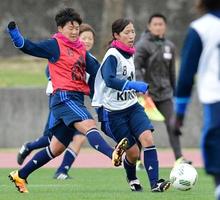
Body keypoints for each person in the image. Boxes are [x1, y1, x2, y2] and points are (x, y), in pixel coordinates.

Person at [7, 8, 128, 193]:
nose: (74, 32)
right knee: (89, 125)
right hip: (63, 97)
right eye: (70, 28)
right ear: (60, 28)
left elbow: (99, 72)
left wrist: (118, 79)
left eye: (77, 28)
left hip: (76, 99)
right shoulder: (54, 45)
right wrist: (16, 36)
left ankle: (20, 175)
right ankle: (113, 154)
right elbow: (29, 46)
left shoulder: (81, 50)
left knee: (55, 148)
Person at [92, 18, 170, 192]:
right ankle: (132, 178)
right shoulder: (112, 55)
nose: (131, 35)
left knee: (148, 139)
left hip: (133, 106)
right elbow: (110, 80)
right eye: (127, 32)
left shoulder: (130, 52)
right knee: (133, 153)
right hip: (113, 113)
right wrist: (133, 85)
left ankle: (155, 183)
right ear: (116, 35)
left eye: (133, 31)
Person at [17, 23, 99, 180]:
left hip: (76, 102)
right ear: (75, 38)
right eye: (84, 37)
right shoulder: (62, 51)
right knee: (50, 139)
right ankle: (29, 147)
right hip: (61, 100)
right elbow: (50, 70)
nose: (87, 41)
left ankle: (62, 170)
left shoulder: (89, 59)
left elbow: (96, 80)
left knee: (79, 137)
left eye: (90, 38)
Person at [170, 1, 220, 199]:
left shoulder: (200, 28)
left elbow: (185, 75)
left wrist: (179, 112)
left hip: (215, 97)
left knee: (213, 138)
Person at [134, 13, 191, 166]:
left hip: (165, 94)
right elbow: (136, 68)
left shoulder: (169, 46)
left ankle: (179, 158)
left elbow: (172, 72)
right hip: (146, 95)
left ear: (165, 26)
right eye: (155, 24)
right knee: (141, 126)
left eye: (161, 24)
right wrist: (141, 88)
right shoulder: (142, 45)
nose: (158, 27)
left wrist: (176, 94)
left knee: (173, 124)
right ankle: (137, 159)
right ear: (149, 26)